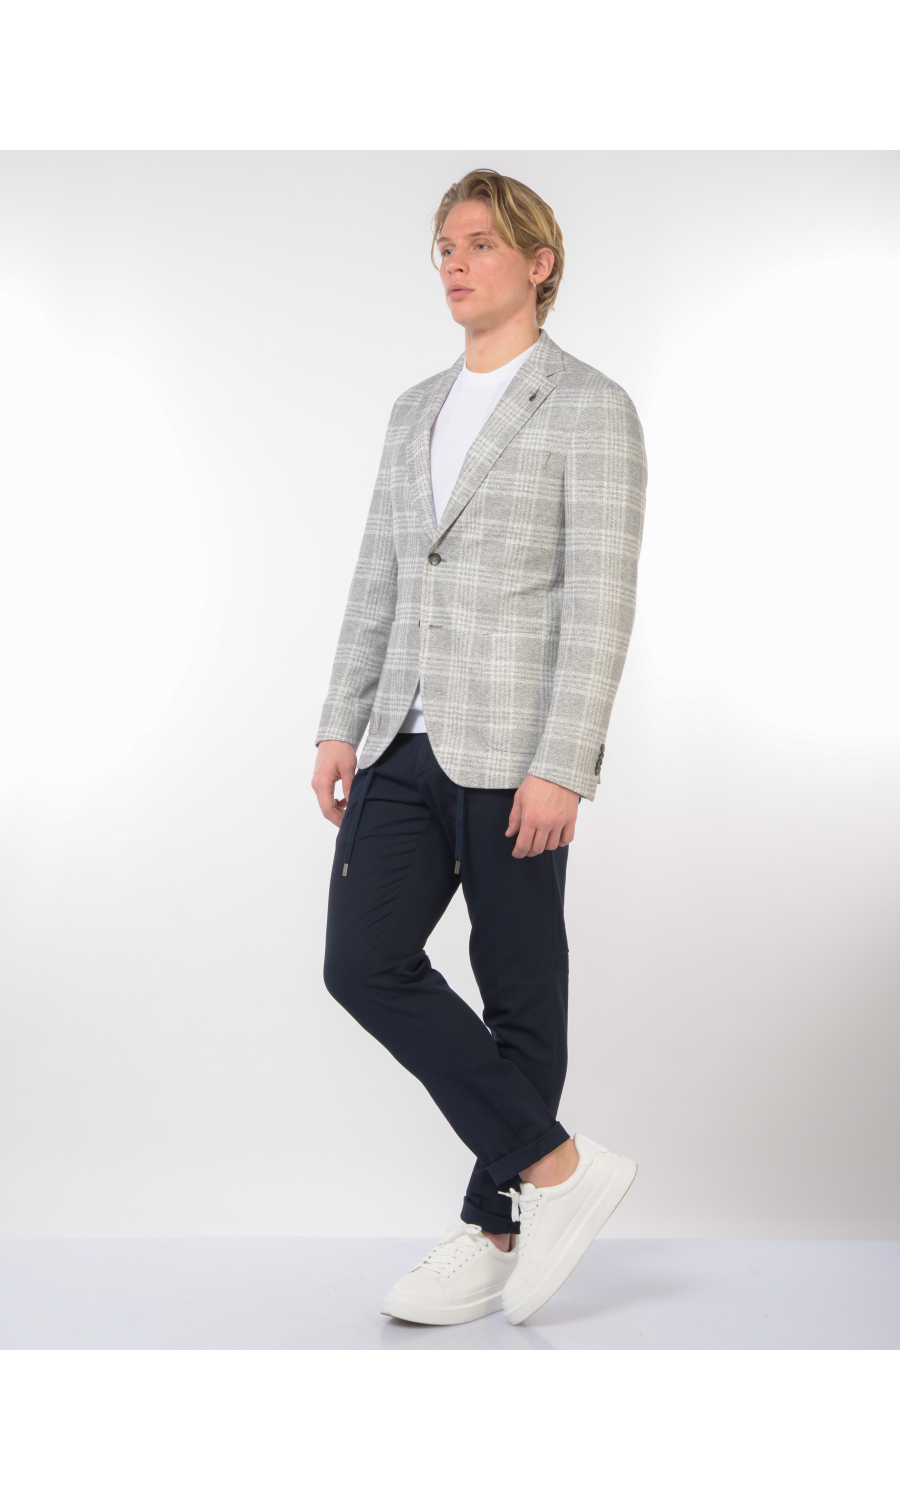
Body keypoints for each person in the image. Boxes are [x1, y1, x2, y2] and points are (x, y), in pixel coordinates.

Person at [312, 168, 648, 1326]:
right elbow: (378, 573)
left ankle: (495, 1227)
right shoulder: (414, 407)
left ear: (537, 264)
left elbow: (599, 600)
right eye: (444, 247)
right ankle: (557, 1168)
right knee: (362, 962)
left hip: (517, 751)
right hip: (399, 741)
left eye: (480, 245)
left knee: (519, 994)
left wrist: (565, 761)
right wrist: (340, 720)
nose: (455, 264)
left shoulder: (589, 406)